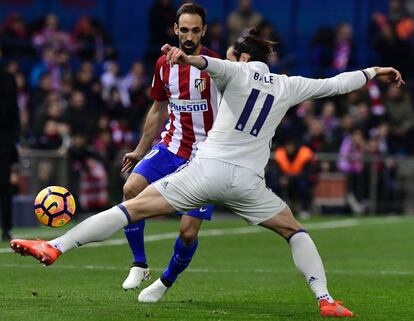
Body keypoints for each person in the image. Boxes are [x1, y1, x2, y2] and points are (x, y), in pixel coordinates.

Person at [10, 29, 404, 317]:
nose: (229, 61)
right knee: (295, 230)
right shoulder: (289, 84)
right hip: (249, 183)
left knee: (131, 207)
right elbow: (336, 84)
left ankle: (56, 246)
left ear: (244, 58)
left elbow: (205, 62)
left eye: (234, 56)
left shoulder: (234, 71)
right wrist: (375, 70)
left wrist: (187, 59)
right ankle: (325, 299)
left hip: (207, 170)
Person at [119, 2, 220, 291]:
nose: (189, 37)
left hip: (205, 157)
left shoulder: (215, 67)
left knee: (187, 233)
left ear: (204, 32)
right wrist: (140, 148)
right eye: (184, 30)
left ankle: (166, 281)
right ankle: (139, 264)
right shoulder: (163, 64)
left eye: (195, 31)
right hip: (171, 146)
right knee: (130, 189)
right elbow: (158, 109)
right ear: (175, 29)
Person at [0, 65, 20, 241]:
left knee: (4, 186)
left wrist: (14, 142)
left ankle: (6, 228)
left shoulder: (8, 78)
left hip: (4, 141)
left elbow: (14, 111)